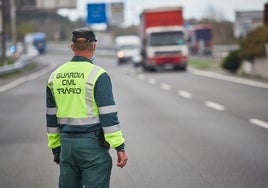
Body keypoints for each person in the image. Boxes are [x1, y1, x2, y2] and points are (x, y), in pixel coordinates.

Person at [46, 27, 128, 188]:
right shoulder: (98, 74)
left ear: (72, 47)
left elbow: (51, 118)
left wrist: (56, 148)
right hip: (92, 147)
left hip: (67, 146)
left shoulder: (55, 76)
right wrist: (119, 147)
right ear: (94, 47)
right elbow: (108, 116)